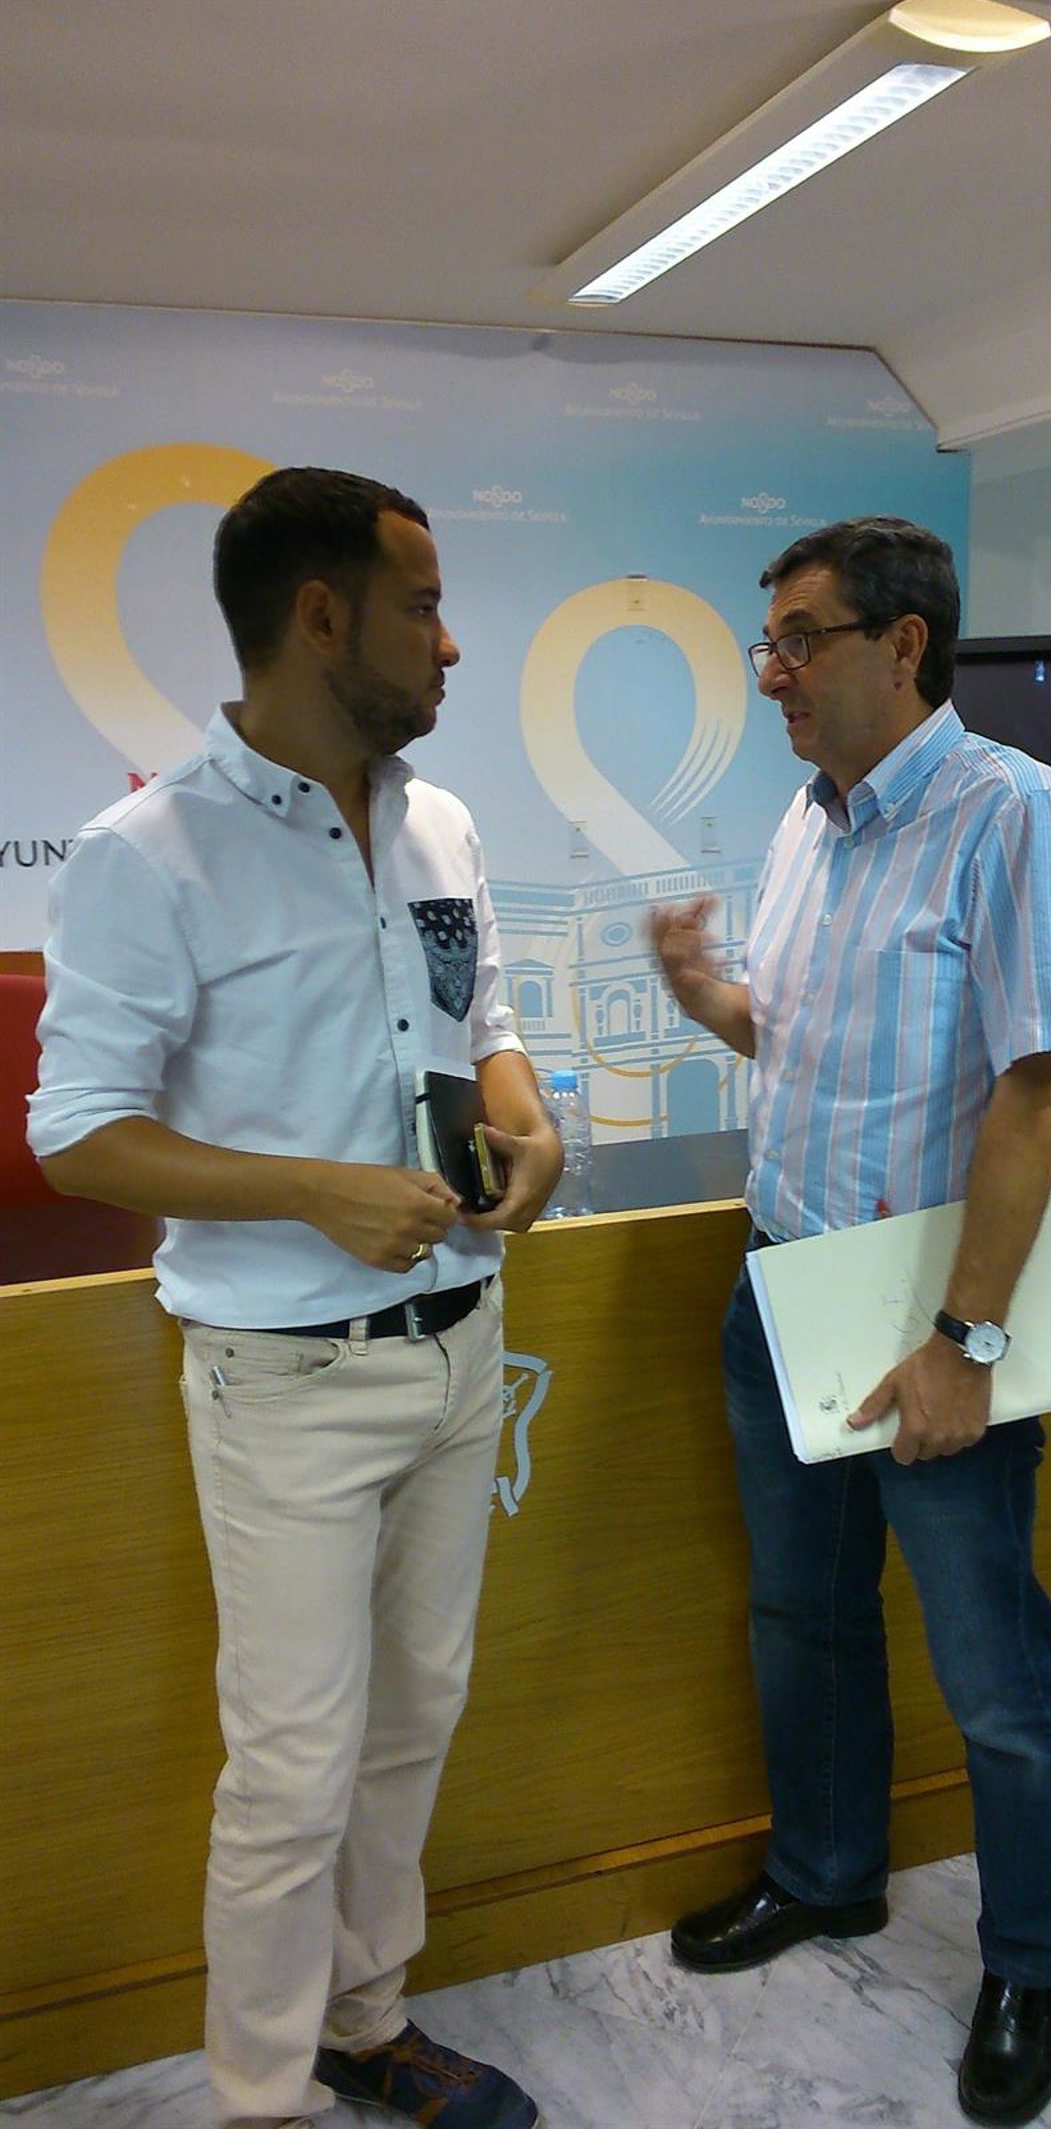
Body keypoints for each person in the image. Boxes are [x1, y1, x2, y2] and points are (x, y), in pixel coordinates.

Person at [28, 466, 563, 2129]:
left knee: (413, 1722)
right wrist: (316, 1189)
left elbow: (481, 1022)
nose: (451, 643)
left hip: (462, 1347)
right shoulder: (143, 854)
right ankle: (261, 2095)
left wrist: (532, 1119)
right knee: (291, 1770)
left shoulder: (442, 821)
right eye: (425, 605)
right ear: (321, 617)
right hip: (286, 1379)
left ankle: (367, 2019)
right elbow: (76, 1133)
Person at [649, 517, 1051, 2128]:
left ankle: (1027, 1961)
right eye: (766, 642)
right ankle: (828, 1871)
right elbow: (796, 1035)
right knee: (806, 1612)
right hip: (788, 1283)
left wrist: (966, 1343)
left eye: (800, 638)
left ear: (903, 644)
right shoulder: (808, 820)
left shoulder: (1016, 815)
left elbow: (1035, 1093)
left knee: (993, 1668)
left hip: (932, 1312)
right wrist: (705, 995)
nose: (771, 673)